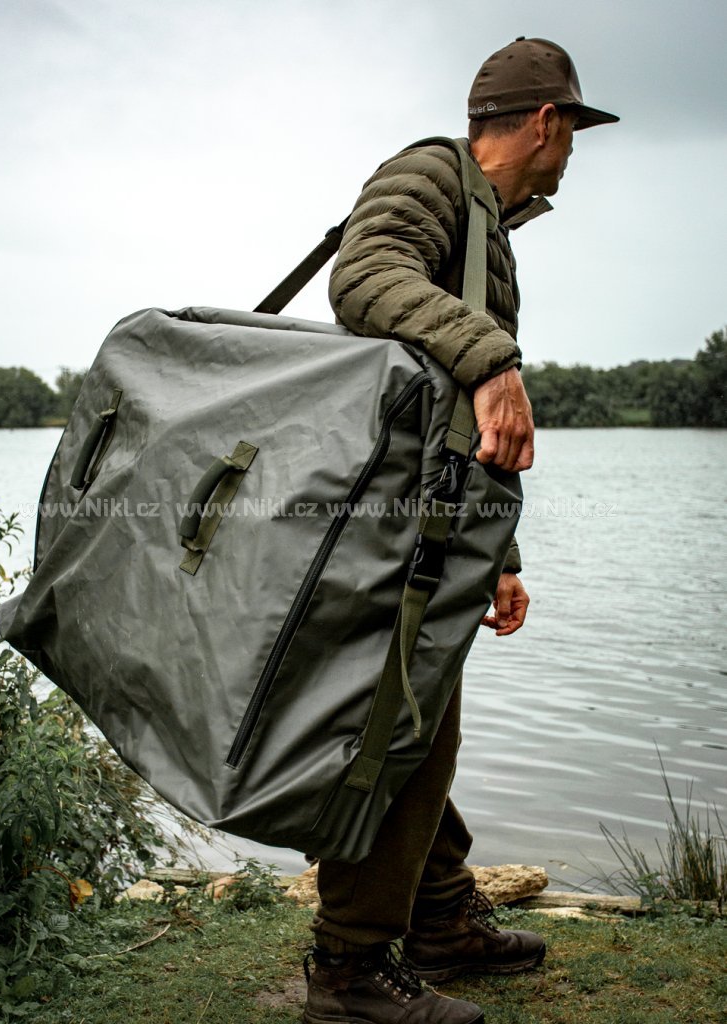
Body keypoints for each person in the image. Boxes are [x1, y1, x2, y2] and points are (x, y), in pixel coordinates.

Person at [302, 37, 618, 1024]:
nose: (570, 153)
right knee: (401, 733)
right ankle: (350, 970)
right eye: (570, 131)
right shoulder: (432, 173)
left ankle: (438, 914)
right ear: (545, 121)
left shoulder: (490, 225)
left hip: (434, 528)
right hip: (382, 526)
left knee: (424, 724)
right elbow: (363, 276)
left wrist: (502, 561)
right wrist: (493, 357)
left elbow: (459, 427)